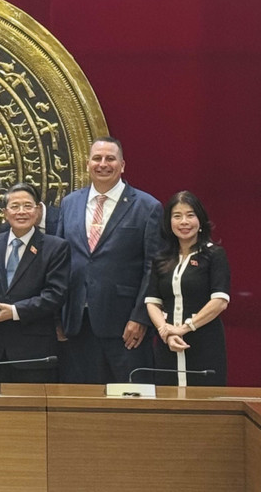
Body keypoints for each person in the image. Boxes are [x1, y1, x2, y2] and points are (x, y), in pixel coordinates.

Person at [57, 137, 162, 384]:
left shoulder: (147, 206)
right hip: (77, 325)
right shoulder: (70, 203)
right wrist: (58, 317)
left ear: (122, 165)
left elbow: (154, 268)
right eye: (97, 158)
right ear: (87, 164)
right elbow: (60, 261)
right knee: (82, 400)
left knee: (130, 399)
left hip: (126, 327)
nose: (103, 164)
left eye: (110, 159)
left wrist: (140, 318)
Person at [0, 183, 69, 383]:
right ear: (5, 213)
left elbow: (55, 295)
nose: (21, 212)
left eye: (27, 206)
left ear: (38, 210)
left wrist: (15, 311)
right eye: (15, 206)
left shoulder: (56, 247)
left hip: (35, 353)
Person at [145, 191, 230, 386]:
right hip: (167, 344)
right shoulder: (161, 258)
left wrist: (183, 328)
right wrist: (166, 332)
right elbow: (152, 302)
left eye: (190, 215)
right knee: (168, 396)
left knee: (204, 398)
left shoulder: (214, 254)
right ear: (169, 222)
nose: (184, 222)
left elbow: (220, 302)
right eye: (177, 216)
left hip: (204, 343)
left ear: (200, 220)